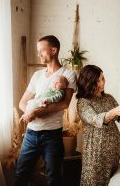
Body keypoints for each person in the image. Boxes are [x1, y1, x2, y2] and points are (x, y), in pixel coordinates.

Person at [15, 35, 77, 186]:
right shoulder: (37, 75)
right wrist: (30, 111)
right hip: (30, 134)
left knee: (53, 178)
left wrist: (36, 112)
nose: (38, 54)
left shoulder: (68, 74)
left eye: (41, 50)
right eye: (38, 51)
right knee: (20, 175)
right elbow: (22, 103)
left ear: (54, 50)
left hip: (52, 136)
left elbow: (64, 104)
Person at [76, 65, 120, 186]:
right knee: (92, 182)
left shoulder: (109, 98)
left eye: (103, 79)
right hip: (96, 151)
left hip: (113, 151)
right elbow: (95, 119)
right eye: (98, 80)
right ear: (88, 82)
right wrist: (114, 111)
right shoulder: (83, 102)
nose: (103, 82)